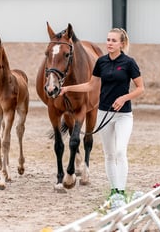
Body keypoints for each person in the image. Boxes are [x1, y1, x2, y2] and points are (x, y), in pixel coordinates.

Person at [59, 28, 144, 195]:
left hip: (123, 115)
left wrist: (124, 98)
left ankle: (121, 190)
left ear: (122, 43)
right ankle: (114, 190)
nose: (109, 43)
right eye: (108, 40)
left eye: (113, 40)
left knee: (120, 151)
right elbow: (91, 85)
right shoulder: (101, 62)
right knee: (109, 154)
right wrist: (68, 88)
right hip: (104, 113)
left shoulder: (129, 63)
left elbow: (141, 88)